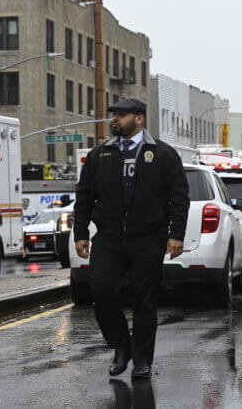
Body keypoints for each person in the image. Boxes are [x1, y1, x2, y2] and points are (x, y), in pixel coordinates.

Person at [73, 98, 189, 380]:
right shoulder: (100, 155)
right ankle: (121, 345)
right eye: (113, 115)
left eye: (121, 115)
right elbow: (84, 196)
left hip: (148, 238)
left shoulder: (162, 154)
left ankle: (142, 360)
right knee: (100, 291)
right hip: (109, 238)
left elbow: (179, 198)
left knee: (144, 301)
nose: (115, 119)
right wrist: (80, 233)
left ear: (139, 119)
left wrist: (176, 235)